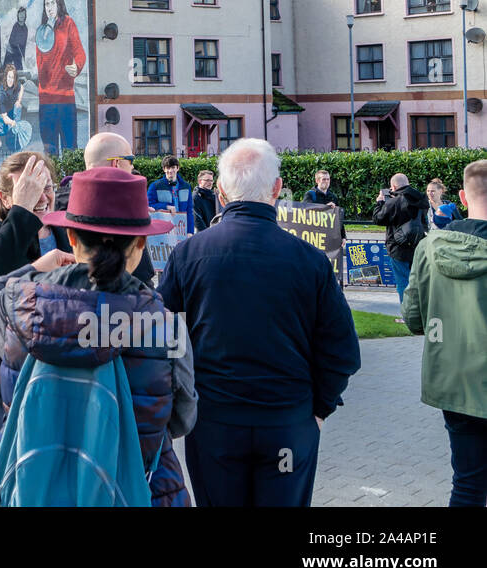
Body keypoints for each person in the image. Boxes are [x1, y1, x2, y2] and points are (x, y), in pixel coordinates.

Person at [0, 166, 194, 505]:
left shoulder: (21, 304)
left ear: (70, 237)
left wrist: (34, 269)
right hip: (130, 491)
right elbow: (182, 418)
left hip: (31, 489)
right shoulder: (165, 325)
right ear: (141, 242)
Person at [159, 138, 361, 507]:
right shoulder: (311, 261)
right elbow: (343, 351)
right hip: (287, 421)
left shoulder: (187, 255)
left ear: (220, 192)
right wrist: (319, 409)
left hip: (215, 423)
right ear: (277, 189)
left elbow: (161, 341)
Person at [0, 152, 70, 460]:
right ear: (6, 198)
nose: (42, 195)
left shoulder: (67, 235)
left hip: (53, 379)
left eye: (46, 186)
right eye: (30, 188)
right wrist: (24, 211)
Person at [402, 159, 487, 506]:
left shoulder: (430, 247)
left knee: (466, 484)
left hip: (453, 381)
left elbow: (412, 317)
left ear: (463, 198)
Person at [51, 133, 155, 286]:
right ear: (116, 163)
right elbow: (142, 277)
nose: (133, 166)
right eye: (130, 160)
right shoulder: (123, 206)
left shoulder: (58, 204)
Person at [33, 0, 85, 155]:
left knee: (70, 148)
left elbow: (80, 53)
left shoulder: (68, 23)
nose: (49, 8)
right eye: (46, 4)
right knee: (50, 151)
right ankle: (53, 182)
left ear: (59, 3)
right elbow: (41, 66)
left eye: (52, 3)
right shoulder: (42, 31)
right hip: (46, 100)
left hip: (65, 98)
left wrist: (76, 66)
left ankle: (70, 182)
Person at [373, 173, 430, 309]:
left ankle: (407, 314)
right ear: (408, 183)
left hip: (398, 247)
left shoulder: (395, 202)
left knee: (402, 281)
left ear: (393, 186)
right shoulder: (421, 199)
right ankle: (420, 312)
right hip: (417, 244)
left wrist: (380, 202)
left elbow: (378, 219)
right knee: (416, 281)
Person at [147, 156, 194, 234]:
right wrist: (166, 207)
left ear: (177, 168)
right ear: (164, 169)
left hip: (181, 228)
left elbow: (189, 211)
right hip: (163, 230)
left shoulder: (186, 186)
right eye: (167, 168)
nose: (170, 170)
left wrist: (190, 232)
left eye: (173, 167)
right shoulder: (155, 186)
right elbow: (148, 205)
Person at [0, 63, 31, 154]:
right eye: (9, 77)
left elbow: (22, 88)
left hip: (10, 110)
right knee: (6, 129)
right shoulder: (2, 91)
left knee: (18, 107)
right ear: (6, 77)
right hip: (0, 114)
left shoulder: (16, 85)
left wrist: (19, 100)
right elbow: (5, 118)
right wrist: (12, 122)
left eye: (13, 77)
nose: (11, 79)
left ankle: (17, 142)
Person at [3, 5, 28, 70]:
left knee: (20, 70)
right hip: (11, 51)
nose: (21, 16)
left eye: (23, 14)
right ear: (18, 15)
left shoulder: (25, 28)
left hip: (19, 53)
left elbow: (24, 44)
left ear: (25, 16)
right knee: (7, 69)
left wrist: (23, 57)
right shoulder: (15, 26)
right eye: (20, 14)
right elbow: (12, 41)